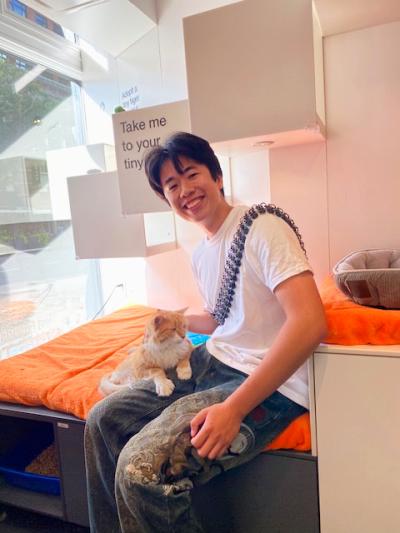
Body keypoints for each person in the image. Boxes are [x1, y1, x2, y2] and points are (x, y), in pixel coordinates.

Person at [84, 132, 327, 532]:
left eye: (190, 174)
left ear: (216, 175)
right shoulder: (203, 251)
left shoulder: (263, 227)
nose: (184, 190)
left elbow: (310, 321)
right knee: (101, 418)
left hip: (261, 380)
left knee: (139, 470)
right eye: (171, 185)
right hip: (212, 359)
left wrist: (235, 409)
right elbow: (220, 319)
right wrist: (162, 319)